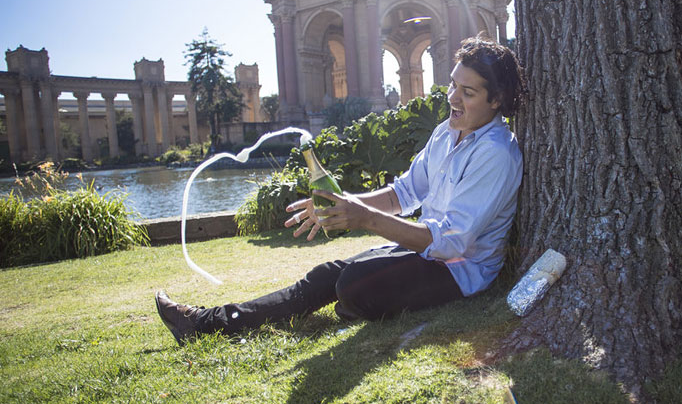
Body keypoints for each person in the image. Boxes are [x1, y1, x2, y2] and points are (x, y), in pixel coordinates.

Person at [155, 35, 524, 345]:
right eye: (452, 85)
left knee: (351, 283)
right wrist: (343, 205)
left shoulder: (496, 153)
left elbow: (451, 244)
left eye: (468, 92)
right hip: (425, 253)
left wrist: (364, 219)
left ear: (496, 100)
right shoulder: (446, 132)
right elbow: (404, 193)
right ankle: (205, 322)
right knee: (325, 274)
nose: (453, 99)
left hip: (460, 273)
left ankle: (355, 304)